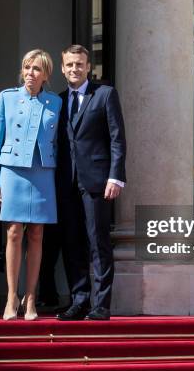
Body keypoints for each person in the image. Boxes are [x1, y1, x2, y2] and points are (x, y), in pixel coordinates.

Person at [0, 49, 62, 320]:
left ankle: (31, 298)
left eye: (36, 69)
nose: (31, 73)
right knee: (13, 232)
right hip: (12, 171)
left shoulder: (56, 103)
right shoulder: (6, 98)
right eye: (27, 67)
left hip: (42, 171)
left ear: (46, 75)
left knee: (37, 234)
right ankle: (11, 296)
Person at [56, 45, 126, 321]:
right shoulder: (58, 101)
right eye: (70, 64)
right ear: (62, 68)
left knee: (98, 243)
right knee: (71, 243)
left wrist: (116, 176)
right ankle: (79, 300)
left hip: (97, 181)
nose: (75, 68)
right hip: (65, 182)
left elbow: (117, 138)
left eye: (80, 64)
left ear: (88, 67)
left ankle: (101, 304)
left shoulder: (105, 94)